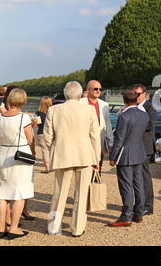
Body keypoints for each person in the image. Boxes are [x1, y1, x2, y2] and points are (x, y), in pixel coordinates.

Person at [44, 81, 101, 237]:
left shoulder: (53, 109)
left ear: (65, 93)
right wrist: (96, 158)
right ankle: (77, 228)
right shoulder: (89, 110)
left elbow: (47, 136)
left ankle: (53, 227)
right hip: (85, 155)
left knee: (59, 193)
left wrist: (54, 148)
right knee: (81, 195)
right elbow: (95, 136)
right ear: (80, 93)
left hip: (62, 154)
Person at [0, 88, 35, 240]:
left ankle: (1, 228)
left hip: (3, 153)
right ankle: (14, 228)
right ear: (23, 100)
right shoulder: (24, 117)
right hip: (19, 154)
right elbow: (30, 139)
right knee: (20, 192)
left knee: (3, 191)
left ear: (9, 99)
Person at [108, 89, 149, 227]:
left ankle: (126, 216)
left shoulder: (124, 116)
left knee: (126, 186)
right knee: (138, 184)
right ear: (136, 99)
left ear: (124, 100)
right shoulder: (144, 114)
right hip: (139, 151)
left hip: (125, 154)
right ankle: (138, 213)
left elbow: (119, 139)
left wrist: (113, 157)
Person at [79, 80, 113, 175]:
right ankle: (83, 189)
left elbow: (108, 124)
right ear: (88, 89)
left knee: (98, 170)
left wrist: (111, 142)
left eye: (100, 89)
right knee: (84, 172)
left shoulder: (104, 105)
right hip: (83, 142)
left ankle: (95, 188)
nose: (98, 91)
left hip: (99, 143)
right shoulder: (80, 103)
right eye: (95, 89)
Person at [133, 84, 156, 216]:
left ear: (144, 94)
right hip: (135, 147)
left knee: (144, 176)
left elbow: (149, 126)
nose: (135, 96)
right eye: (134, 94)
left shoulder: (150, 107)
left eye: (138, 94)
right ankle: (139, 203)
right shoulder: (133, 107)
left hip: (145, 147)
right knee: (136, 177)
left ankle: (148, 205)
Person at [34, 97, 52, 173]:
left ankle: (47, 168)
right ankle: (52, 166)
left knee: (44, 150)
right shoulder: (52, 112)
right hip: (51, 133)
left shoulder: (38, 113)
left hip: (41, 132)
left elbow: (36, 124)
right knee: (51, 149)